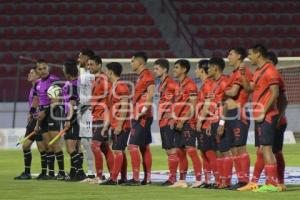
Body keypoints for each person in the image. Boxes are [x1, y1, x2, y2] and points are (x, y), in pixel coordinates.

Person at [238, 44, 281, 192]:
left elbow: (275, 93)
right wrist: (243, 74)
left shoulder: (270, 71)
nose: (248, 57)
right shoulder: (257, 71)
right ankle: (267, 182)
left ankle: (272, 184)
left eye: (250, 54)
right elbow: (248, 89)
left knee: (267, 149)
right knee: (263, 150)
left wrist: (264, 112)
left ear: (258, 54)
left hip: (267, 115)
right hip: (259, 115)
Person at [221, 47, 252, 190]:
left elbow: (233, 92)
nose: (228, 56)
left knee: (240, 147)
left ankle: (245, 181)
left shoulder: (241, 72)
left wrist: (221, 91)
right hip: (231, 114)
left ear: (239, 56)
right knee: (234, 148)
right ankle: (240, 180)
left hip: (239, 112)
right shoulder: (233, 73)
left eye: (231, 53)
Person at [170, 59, 202, 188]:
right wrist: (173, 119)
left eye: (176, 67)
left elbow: (193, 106)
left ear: (184, 69)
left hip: (188, 123)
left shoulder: (191, 85)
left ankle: (199, 179)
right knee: (180, 151)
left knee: (191, 150)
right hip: (178, 123)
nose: (174, 70)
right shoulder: (178, 85)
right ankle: (182, 181)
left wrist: (182, 120)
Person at [100, 62, 131, 185]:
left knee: (118, 151)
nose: (105, 73)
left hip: (121, 125)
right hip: (114, 124)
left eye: (106, 71)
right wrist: (106, 126)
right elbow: (110, 108)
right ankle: (123, 178)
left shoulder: (121, 86)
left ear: (111, 72)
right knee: (119, 151)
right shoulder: (113, 87)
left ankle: (113, 178)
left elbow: (125, 106)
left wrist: (119, 125)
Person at [126, 52, 154, 185]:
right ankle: (147, 179)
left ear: (140, 62)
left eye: (132, 61)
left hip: (142, 117)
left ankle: (136, 178)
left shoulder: (147, 76)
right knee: (144, 147)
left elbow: (151, 94)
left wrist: (141, 112)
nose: (131, 64)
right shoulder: (141, 77)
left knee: (132, 146)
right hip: (143, 116)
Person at [34, 59, 65, 180]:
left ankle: (62, 172)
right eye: (39, 69)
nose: (42, 71)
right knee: (47, 146)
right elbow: (39, 102)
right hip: (43, 115)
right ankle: (51, 173)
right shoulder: (38, 83)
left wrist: (44, 112)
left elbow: (56, 101)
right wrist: (38, 120)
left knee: (55, 144)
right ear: (37, 70)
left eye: (44, 68)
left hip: (53, 113)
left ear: (48, 68)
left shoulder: (54, 80)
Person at [14, 67, 45, 180]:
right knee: (25, 145)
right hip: (33, 120)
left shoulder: (40, 87)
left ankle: (45, 173)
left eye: (32, 73)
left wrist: (38, 119)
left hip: (39, 120)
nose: (29, 74)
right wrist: (30, 114)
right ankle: (27, 173)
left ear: (38, 76)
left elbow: (41, 103)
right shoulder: (33, 88)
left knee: (42, 148)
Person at [153, 59, 179, 186]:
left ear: (164, 69)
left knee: (172, 149)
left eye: (157, 69)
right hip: (163, 121)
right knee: (169, 150)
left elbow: (180, 100)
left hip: (169, 121)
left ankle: (173, 178)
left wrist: (173, 116)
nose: (155, 71)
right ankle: (172, 177)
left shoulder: (171, 84)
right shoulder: (162, 84)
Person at [88, 55, 114, 184]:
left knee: (95, 145)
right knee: (104, 147)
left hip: (103, 117)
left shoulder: (104, 80)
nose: (89, 67)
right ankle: (113, 176)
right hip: (96, 116)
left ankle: (99, 177)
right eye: (88, 65)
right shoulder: (95, 80)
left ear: (99, 65)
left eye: (92, 64)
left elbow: (110, 99)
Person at [206, 58, 231, 189]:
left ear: (215, 68)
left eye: (209, 67)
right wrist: (210, 122)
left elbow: (226, 104)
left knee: (225, 151)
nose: (207, 70)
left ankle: (227, 181)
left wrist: (222, 123)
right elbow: (213, 105)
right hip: (215, 120)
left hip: (223, 121)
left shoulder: (224, 82)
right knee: (219, 152)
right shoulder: (213, 83)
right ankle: (221, 180)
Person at [195, 60, 218, 188]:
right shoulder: (204, 85)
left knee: (209, 152)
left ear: (202, 70)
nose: (195, 71)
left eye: (197, 69)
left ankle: (217, 179)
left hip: (207, 123)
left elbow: (209, 105)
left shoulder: (209, 84)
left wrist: (201, 120)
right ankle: (208, 180)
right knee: (203, 152)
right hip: (203, 123)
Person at [62, 59, 86, 181]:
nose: (62, 70)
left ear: (68, 71)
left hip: (72, 118)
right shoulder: (78, 82)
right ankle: (74, 172)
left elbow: (72, 103)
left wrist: (68, 119)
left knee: (70, 149)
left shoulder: (72, 84)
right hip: (79, 117)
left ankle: (80, 173)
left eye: (64, 68)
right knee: (77, 148)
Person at [77, 49, 96, 179]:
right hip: (81, 111)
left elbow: (95, 95)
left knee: (89, 142)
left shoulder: (93, 76)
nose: (78, 59)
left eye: (80, 57)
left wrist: (86, 104)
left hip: (90, 111)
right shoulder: (82, 74)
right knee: (84, 141)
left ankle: (92, 171)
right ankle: (86, 170)